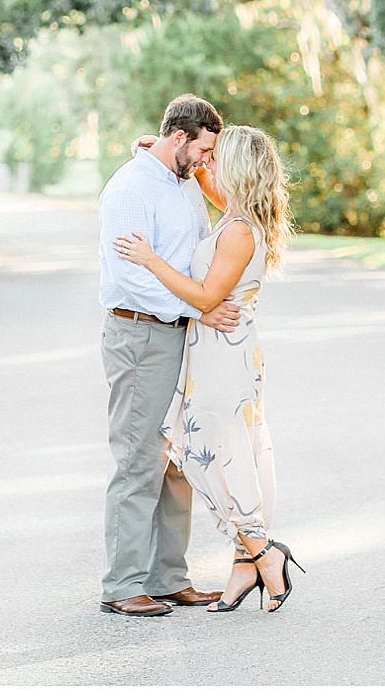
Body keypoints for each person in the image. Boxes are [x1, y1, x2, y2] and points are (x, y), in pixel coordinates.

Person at [114, 124, 303, 613]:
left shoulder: (239, 230)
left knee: (215, 454)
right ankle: (244, 564)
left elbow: (204, 297)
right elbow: (197, 176)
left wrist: (151, 259)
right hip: (217, 353)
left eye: (217, 157)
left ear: (237, 167)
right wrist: (152, 151)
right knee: (208, 452)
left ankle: (263, 552)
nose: (207, 164)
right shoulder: (236, 214)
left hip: (223, 357)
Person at [95, 94, 241, 617]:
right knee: (139, 459)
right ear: (179, 137)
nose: (206, 161)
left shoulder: (186, 185)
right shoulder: (131, 188)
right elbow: (130, 277)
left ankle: (167, 577)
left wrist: (202, 308)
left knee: (178, 459)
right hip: (141, 334)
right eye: (202, 149)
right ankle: (123, 584)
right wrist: (199, 309)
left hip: (183, 333)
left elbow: (203, 248)